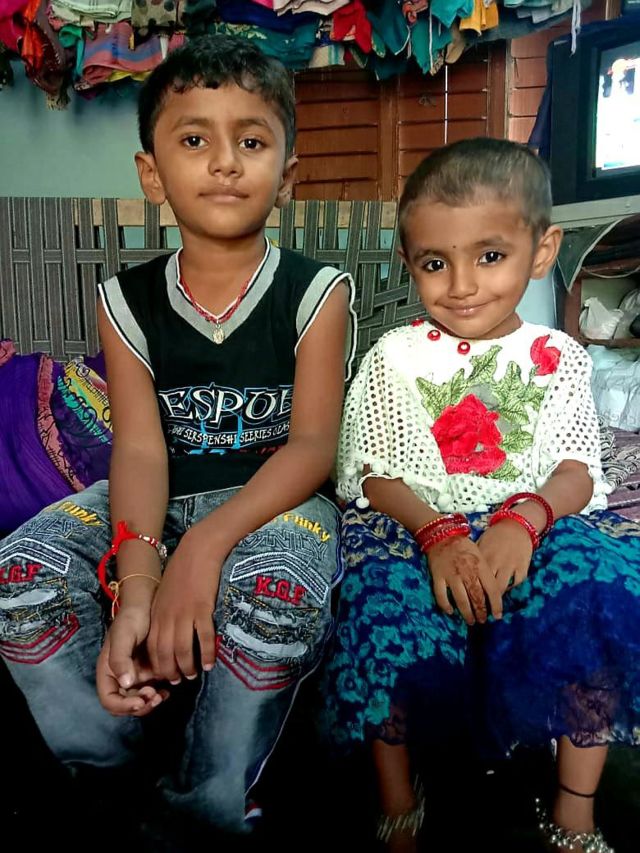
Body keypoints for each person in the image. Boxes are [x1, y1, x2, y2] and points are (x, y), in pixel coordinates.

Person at [0, 34, 356, 838]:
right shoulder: (124, 301)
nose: (224, 162)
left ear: (286, 176)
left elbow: (311, 448)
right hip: (147, 496)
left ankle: (204, 802)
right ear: (152, 174)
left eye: (251, 142)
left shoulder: (316, 292)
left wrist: (201, 548)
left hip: (276, 502)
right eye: (195, 140)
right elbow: (138, 449)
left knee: (279, 591)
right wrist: (138, 580)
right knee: (19, 572)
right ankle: (110, 764)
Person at [322, 137, 640, 853]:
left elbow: (576, 470)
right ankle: (399, 803)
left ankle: (575, 808)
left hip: (528, 521)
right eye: (435, 263)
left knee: (599, 589)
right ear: (409, 261)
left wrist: (524, 522)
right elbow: (372, 472)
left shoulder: (560, 359)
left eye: (489, 256)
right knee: (375, 602)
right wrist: (436, 534)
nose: (462, 285)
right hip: (416, 523)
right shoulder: (394, 357)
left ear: (542, 250)